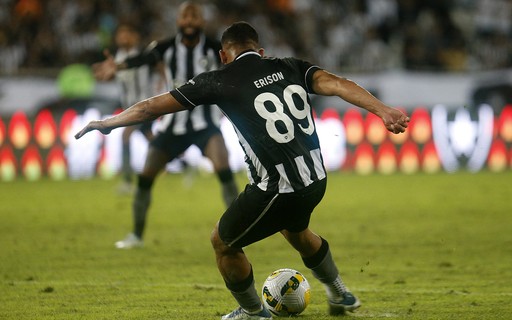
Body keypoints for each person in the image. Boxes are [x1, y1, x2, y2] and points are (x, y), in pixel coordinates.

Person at [76, 21, 409, 319]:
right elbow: (336, 83)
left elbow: (150, 107)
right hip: (316, 180)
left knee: (222, 242)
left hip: (278, 187)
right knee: (296, 232)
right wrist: (383, 110)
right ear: (260, 51)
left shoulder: (218, 80)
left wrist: (108, 123)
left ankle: (253, 312)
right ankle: (340, 294)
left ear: (223, 56)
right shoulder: (290, 66)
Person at [93, 1, 239, 249]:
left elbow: (237, 66)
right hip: (173, 125)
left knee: (224, 169)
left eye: (194, 16)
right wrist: (118, 66)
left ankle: (239, 231)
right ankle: (136, 235)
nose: (190, 21)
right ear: (178, 21)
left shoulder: (216, 48)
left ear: (202, 21)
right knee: (146, 176)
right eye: (185, 17)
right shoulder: (166, 47)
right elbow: (142, 58)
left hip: (206, 125)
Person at [111, 22, 155, 194]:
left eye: (125, 34)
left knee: (125, 136)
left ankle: (127, 180)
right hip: (129, 107)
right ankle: (183, 164)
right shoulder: (119, 56)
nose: (122, 38)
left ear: (134, 37)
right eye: (120, 34)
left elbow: (144, 84)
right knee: (154, 142)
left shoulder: (139, 58)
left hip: (142, 106)